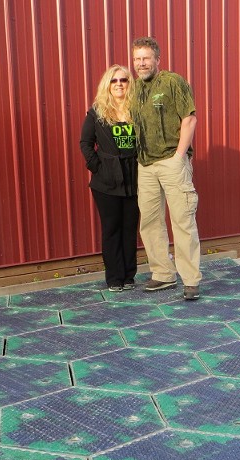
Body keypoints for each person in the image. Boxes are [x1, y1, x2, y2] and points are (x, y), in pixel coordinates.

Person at [130, 36, 202, 301]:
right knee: (149, 222)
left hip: (172, 161)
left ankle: (191, 279)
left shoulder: (173, 81)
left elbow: (190, 118)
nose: (141, 63)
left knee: (182, 220)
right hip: (145, 165)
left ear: (157, 59)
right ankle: (162, 274)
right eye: (137, 59)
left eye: (146, 58)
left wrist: (179, 156)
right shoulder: (135, 88)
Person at [79, 65, 139, 292]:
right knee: (112, 228)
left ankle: (129, 276)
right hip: (106, 182)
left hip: (134, 179)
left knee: (130, 228)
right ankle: (114, 277)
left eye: (123, 80)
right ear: (108, 84)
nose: (119, 84)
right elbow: (85, 143)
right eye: (114, 81)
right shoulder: (97, 112)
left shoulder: (137, 110)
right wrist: (97, 166)